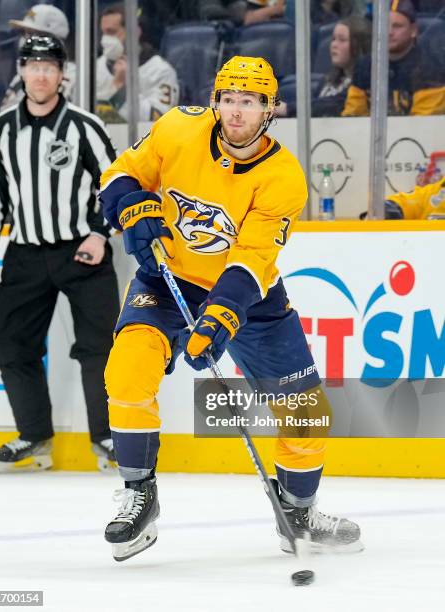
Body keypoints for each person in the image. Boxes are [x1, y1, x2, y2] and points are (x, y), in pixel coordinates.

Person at [99, 56, 363, 561]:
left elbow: (252, 259)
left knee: (305, 412)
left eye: (248, 102)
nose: (235, 112)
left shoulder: (283, 177)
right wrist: (133, 206)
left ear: (269, 110)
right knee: (127, 371)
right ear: (215, 100)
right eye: (227, 99)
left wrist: (220, 317)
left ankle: (299, 511)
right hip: (165, 277)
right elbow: (120, 175)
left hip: (247, 296)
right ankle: (139, 495)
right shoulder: (178, 128)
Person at [0, 35, 119, 473]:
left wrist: (100, 235)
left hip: (83, 252)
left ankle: (109, 438)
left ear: (62, 74)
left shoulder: (84, 126)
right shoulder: (0, 129)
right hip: (24, 252)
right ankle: (34, 436)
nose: (41, 73)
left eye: (49, 66)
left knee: (100, 348)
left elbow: (115, 186)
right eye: (33, 65)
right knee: (10, 347)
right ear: (20, 71)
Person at [342, 0, 445, 116]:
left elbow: (422, 125)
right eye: (384, 25)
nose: (389, 32)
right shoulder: (365, 66)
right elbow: (353, 115)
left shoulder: (430, 69)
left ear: (413, 31)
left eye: (397, 26)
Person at [96, 4, 179, 123]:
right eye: (103, 33)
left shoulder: (160, 71)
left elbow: (159, 121)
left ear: (135, 32)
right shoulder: (94, 68)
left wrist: (120, 89)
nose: (105, 39)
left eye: (112, 32)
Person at [0, 4, 76, 111]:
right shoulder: (20, 76)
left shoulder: (73, 78)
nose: (25, 39)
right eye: (24, 33)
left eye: (32, 34)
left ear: (53, 38)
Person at [313, 15, 371, 117]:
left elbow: (336, 103)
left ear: (359, 45)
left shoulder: (364, 84)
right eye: (333, 39)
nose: (334, 45)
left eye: (342, 40)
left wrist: (288, 108)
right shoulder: (327, 80)